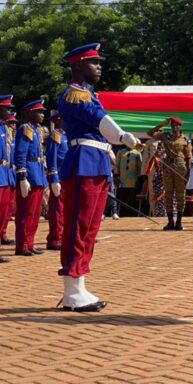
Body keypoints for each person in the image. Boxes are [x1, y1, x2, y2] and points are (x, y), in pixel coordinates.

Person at [57, 42, 140, 312]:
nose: (99, 67)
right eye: (94, 62)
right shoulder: (75, 94)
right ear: (79, 65)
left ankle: (79, 285)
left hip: (96, 161)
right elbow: (97, 118)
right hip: (84, 162)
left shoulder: (89, 93)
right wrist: (121, 136)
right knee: (78, 226)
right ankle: (72, 289)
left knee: (90, 228)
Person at [14, 100, 48, 256]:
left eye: (42, 112)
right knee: (26, 212)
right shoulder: (25, 129)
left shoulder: (36, 130)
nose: (42, 115)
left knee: (35, 213)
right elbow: (21, 153)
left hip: (38, 172)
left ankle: (30, 243)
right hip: (30, 173)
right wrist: (22, 176)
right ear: (29, 113)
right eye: (38, 112)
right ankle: (22, 245)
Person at [151, 117, 192, 231]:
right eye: (172, 125)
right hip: (168, 168)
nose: (174, 127)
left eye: (176, 125)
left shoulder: (185, 140)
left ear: (180, 126)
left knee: (180, 195)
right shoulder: (165, 136)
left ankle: (178, 222)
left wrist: (188, 174)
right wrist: (162, 124)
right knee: (168, 194)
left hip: (180, 168)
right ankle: (170, 222)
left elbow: (188, 158)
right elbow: (150, 134)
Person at [45, 111, 68, 250]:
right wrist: (54, 178)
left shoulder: (67, 135)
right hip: (59, 176)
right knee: (57, 209)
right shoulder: (56, 135)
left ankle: (63, 236)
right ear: (59, 120)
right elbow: (52, 157)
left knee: (66, 209)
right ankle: (55, 238)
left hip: (68, 176)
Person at [0, 95, 16, 258]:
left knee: (4, 211)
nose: (9, 112)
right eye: (6, 108)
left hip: (5, 173)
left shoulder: (4, 128)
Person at [116, 141, 143, 211]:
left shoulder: (137, 153)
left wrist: (139, 178)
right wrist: (117, 175)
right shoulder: (121, 152)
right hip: (122, 179)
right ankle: (122, 212)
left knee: (132, 198)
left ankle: (131, 213)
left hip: (133, 179)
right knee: (122, 198)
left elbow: (140, 167)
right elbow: (117, 164)